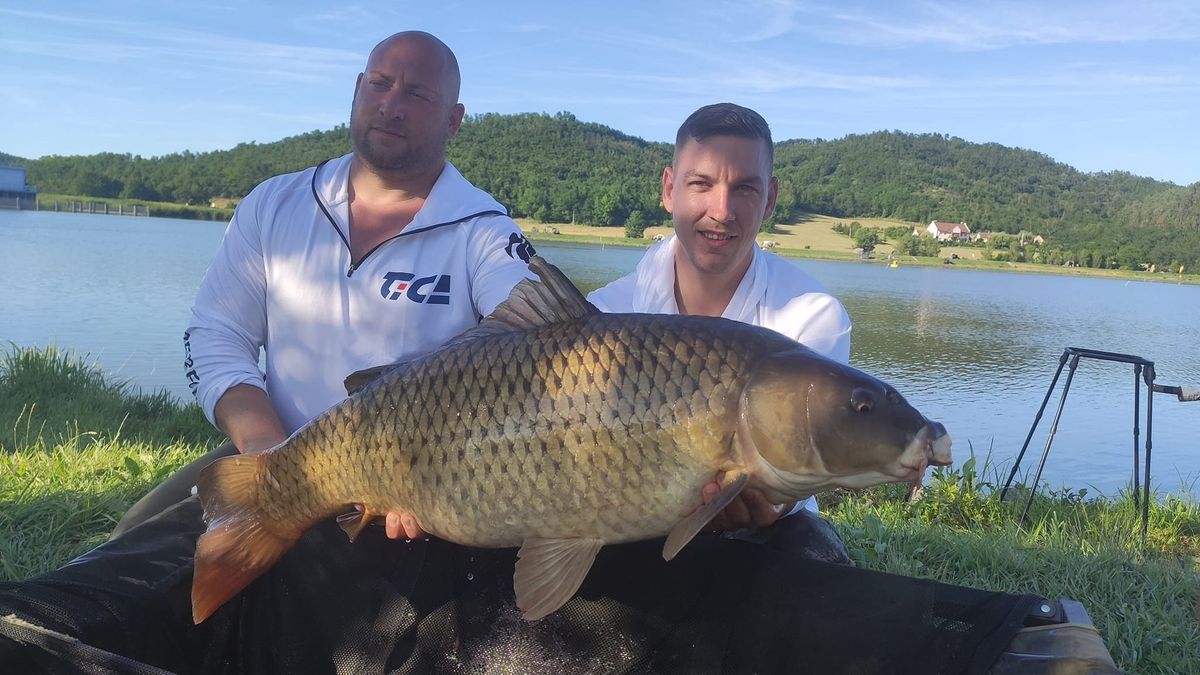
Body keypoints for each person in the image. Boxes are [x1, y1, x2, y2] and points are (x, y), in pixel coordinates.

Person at [113, 30, 538, 539]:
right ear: (358, 89)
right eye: (380, 84)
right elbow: (215, 336)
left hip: (408, 482)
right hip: (273, 450)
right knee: (131, 539)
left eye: (417, 94)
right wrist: (268, 453)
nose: (391, 106)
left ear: (454, 119)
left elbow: (542, 347)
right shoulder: (274, 204)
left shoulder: (486, 232)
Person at [588, 102, 853, 538]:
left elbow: (792, 476)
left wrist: (775, 504)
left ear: (770, 199)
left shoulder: (812, 315)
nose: (722, 210)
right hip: (627, 529)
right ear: (670, 189)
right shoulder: (604, 315)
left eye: (745, 188)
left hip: (765, 543)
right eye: (701, 184)